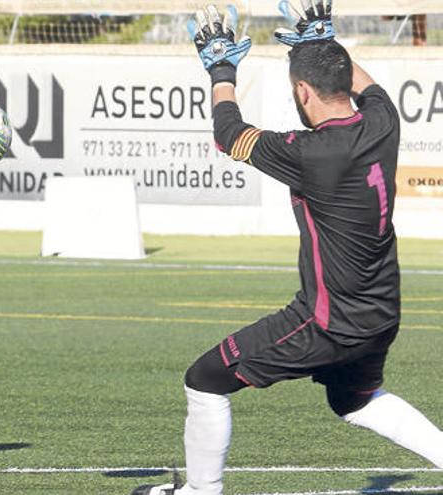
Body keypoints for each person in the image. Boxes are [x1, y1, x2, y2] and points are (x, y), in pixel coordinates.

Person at [132, 2, 443, 494]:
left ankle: (199, 492)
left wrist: (221, 68)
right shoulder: (384, 122)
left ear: (301, 91)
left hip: (328, 322)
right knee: (355, 401)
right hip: (381, 314)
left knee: (205, 379)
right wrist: (318, 41)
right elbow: (365, 83)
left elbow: (228, 134)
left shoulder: (311, 153)